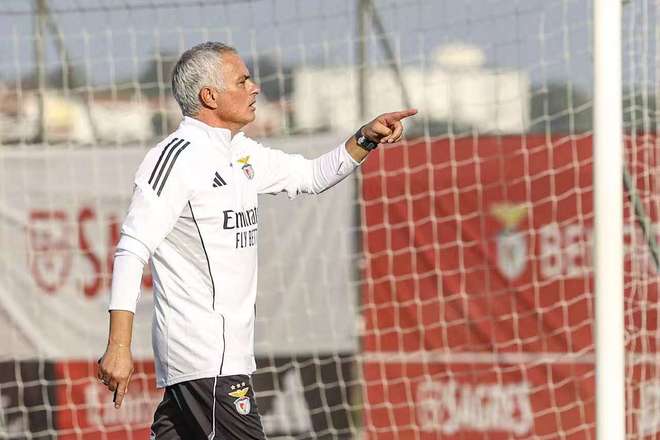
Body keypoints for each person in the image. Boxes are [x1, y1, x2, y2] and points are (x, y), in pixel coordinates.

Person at [97, 41, 416, 440]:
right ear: (209, 96)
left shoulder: (239, 152)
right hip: (206, 359)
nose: (255, 88)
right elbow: (131, 248)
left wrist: (365, 138)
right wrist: (119, 345)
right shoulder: (177, 158)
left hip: (220, 361)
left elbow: (311, 176)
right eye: (242, 80)